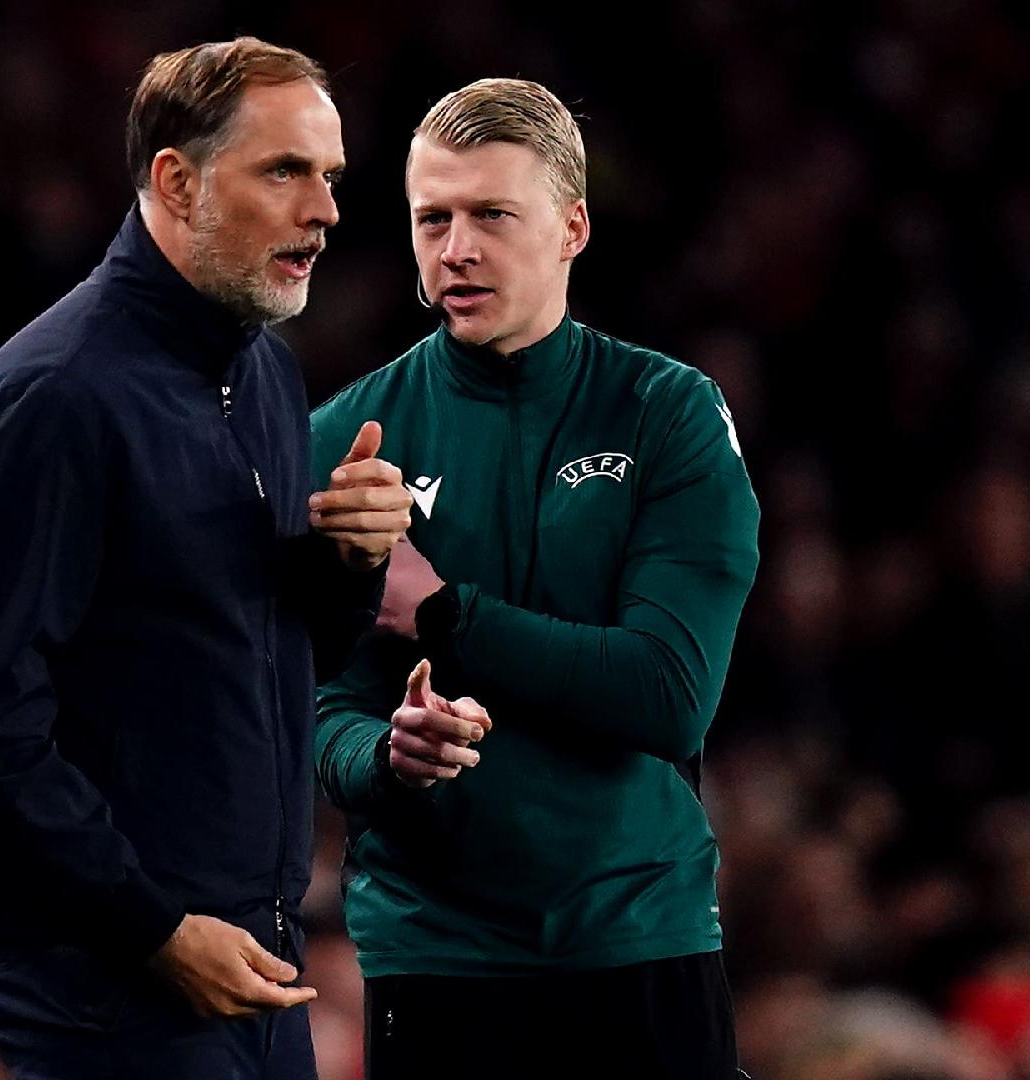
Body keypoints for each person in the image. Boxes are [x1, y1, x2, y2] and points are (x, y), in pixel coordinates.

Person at [0, 37, 413, 1080]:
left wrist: (350, 561)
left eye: (331, 178)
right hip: (112, 989)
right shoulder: (54, 400)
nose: (324, 211)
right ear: (178, 182)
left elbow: (273, 650)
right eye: (285, 172)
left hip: (247, 964)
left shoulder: (262, 366)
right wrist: (149, 927)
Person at [310, 78, 762, 1078]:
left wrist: (440, 613)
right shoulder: (347, 439)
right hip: (434, 956)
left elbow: (668, 695)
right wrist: (387, 757)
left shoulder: (666, 414)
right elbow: (315, 709)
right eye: (433, 218)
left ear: (571, 227)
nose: (455, 248)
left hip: (636, 938)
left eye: (491, 216)